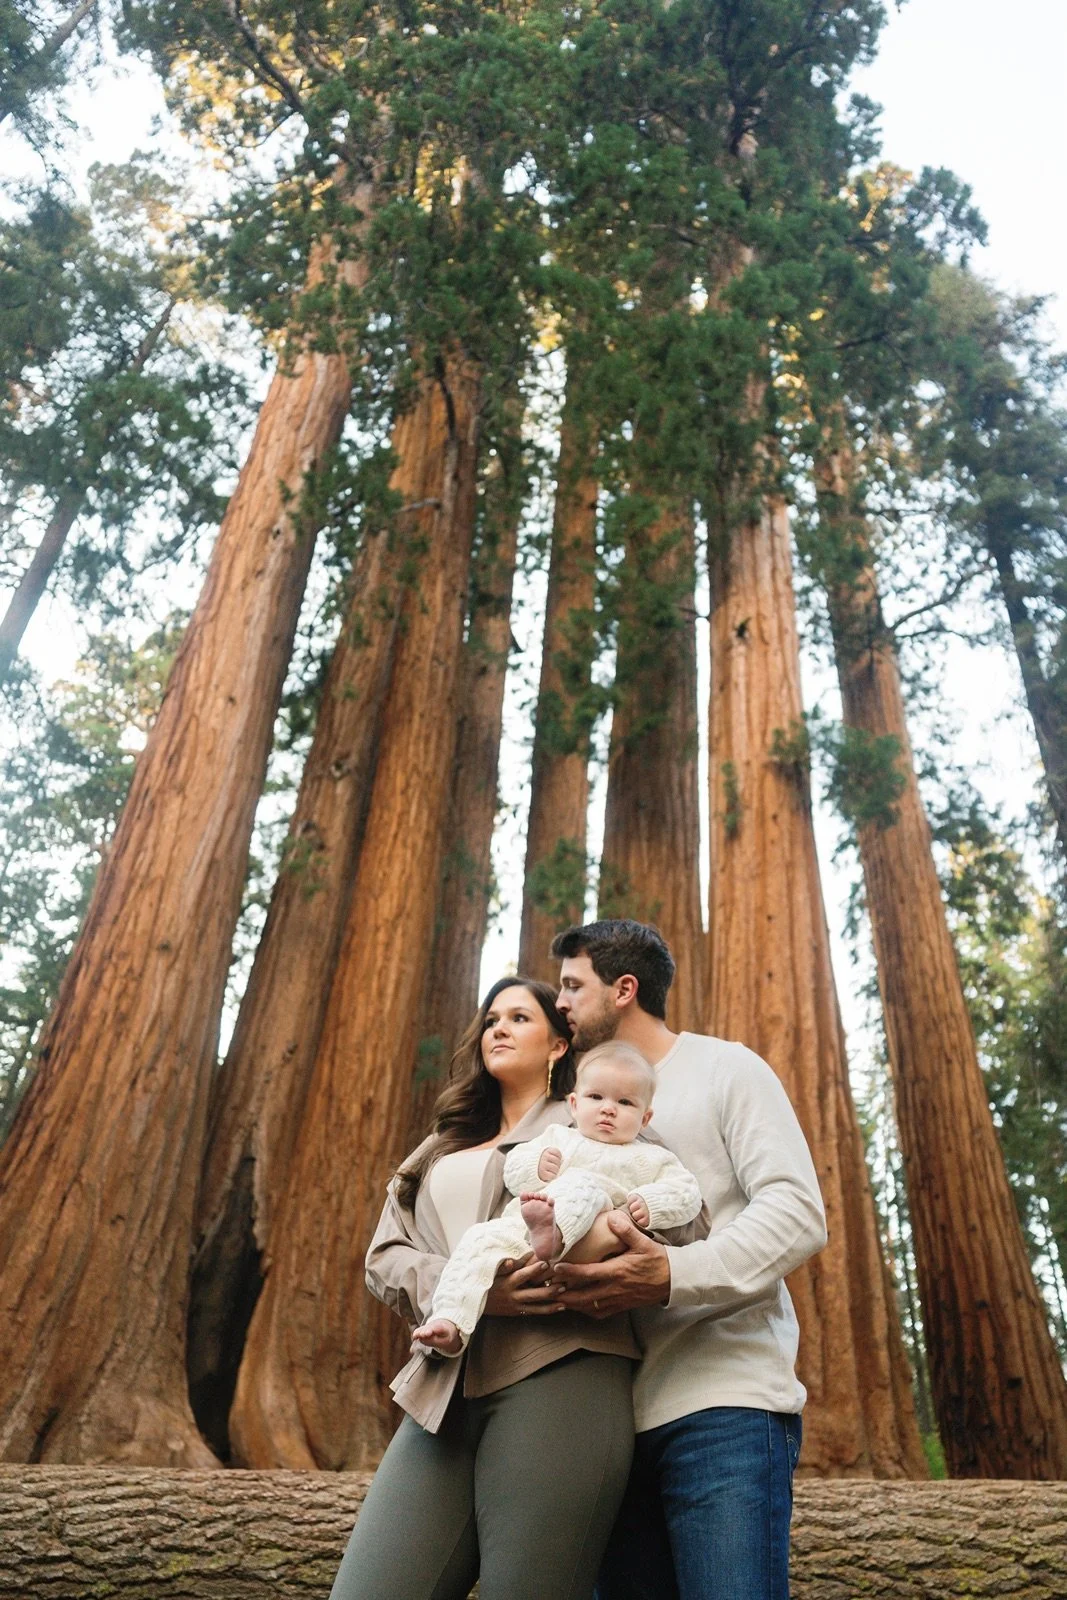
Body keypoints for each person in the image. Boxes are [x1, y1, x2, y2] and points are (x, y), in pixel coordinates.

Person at [327, 977, 639, 1600]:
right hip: (443, 1385)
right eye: (492, 1017)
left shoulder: (592, 1118)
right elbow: (384, 1257)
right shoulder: (439, 1146)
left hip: (561, 1372)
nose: (498, 1027)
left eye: (520, 1018)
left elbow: (662, 1216)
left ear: (557, 1045)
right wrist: (475, 1288)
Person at [548, 918, 828, 1600]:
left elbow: (796, 1214)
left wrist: (669, 1274)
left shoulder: (724, 1068)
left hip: (722, 1406)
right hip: (606, 1427)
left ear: (623, 989)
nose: (558, 1002)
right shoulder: (574, 1106)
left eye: (570, 985)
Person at [413, 1041, 704, 1356]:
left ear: (645, 1118)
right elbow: (514, 1168)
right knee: (478, 1239)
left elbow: (687, 1192)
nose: (609, 1108)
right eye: (596, 1097)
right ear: (575, 1105)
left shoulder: (651, 1157)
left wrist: (651, 1202)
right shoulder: (557, 1137)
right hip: (526, 1227)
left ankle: (554, 1234)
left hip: (594, 1221)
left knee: (582, 1184)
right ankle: (450, 1321)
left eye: (625, 1102)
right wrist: (537, 1168)